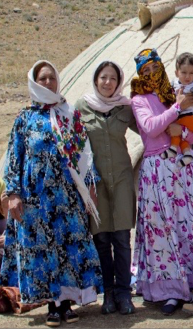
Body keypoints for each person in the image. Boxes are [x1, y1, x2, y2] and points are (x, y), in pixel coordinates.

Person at [0, 60, 103, 327]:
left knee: (68, 246)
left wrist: (91, 182)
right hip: (35, 198)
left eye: (51, 78)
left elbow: (84, 152)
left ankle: (66, 302)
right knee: (42, 251)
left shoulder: (69, 115)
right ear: (34, 82)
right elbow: (15, 157)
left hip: (67, 197)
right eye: (42, 79)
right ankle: (52, 306)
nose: (47, 83)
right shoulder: (24, 119)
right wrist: (13, 193)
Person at [129, 48, 193, 316]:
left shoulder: (175, 92)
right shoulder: (139, 99)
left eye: (155, 68)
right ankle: (169, 291)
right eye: (145, 70)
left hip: (184, 166)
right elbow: (150, 127)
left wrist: (180, 129)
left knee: (190, 226)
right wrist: (175, 110)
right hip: (157, 169)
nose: (151, 74)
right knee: (163, 229)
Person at [75, 60, 138, 315]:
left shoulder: (125, 107)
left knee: (122, 239)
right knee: (101, 239)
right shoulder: (82, 106)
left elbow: (147, 128)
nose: (108, 82)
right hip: (95, 181)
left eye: (112, 78)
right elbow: (74, 144)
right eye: (103, 77)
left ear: (118, 81)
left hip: (122, 177)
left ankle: (124, 293)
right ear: (96, 79)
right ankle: (108, 294)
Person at [163, 53, 193, 167]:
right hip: (187, 118)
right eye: (184, 73)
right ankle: (187, 153)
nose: (187, 77)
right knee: (183, 138)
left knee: (175, 126)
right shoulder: (173, 84)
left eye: (191, 73)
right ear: (177, 73)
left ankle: (173, 149)